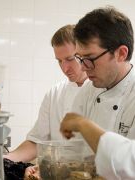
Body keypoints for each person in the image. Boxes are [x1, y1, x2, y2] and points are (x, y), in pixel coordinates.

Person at [71, 6, 135, 141]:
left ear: (121, 54)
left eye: (90, 58)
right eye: (80, 59)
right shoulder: (87, 91)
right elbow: (75, 147)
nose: (83, 68)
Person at [5, 25, 88, 163]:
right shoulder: (55, 93)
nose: (65, 68)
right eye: (59, 61)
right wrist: (4, 160)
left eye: (69, 59)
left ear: (83, 53)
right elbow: (36, 142)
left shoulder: (101, 90)